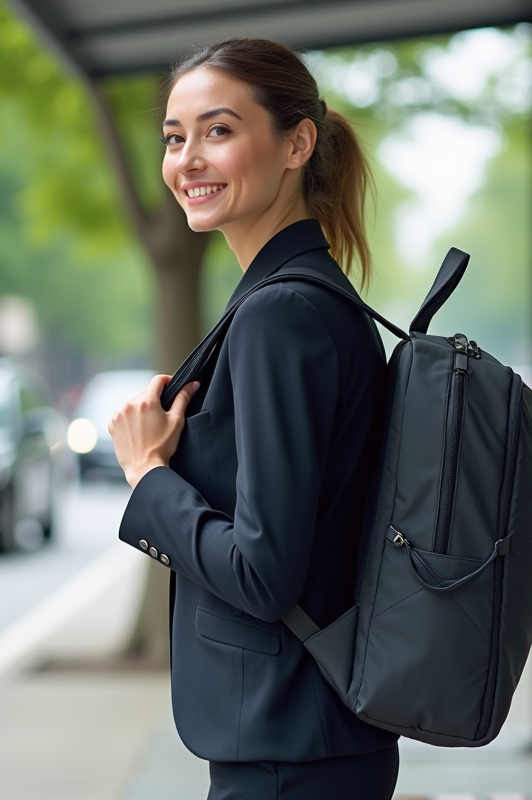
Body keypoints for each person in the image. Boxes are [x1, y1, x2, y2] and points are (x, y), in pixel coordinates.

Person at [108, 38, 398, 800]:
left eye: (219, 131)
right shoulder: (305, 296)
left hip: (289, 754)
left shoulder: (281, 314)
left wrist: (149, 474)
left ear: (297, 142)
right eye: (175, 137)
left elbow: (263, 573)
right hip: (307, 741)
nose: (187, 160)